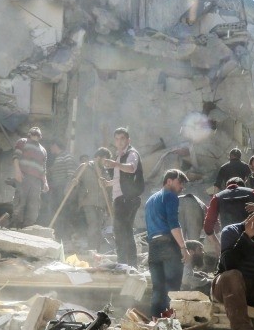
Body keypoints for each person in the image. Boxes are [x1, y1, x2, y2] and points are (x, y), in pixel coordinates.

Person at [144, 169, 189, 318]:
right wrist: (183, 247)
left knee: (158, 288)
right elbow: (173, 224)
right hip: (168, 245)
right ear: (168, 181)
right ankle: (169, 324)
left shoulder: (150, 200)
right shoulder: (170, 196)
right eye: (179, 182)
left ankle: (155, 321)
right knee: (172, 288)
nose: (181, 187)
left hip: (153, 247)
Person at [104, 127, 145, 266]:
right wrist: (108, 183)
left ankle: (127, 263)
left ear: (128, 140)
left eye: (122, 138)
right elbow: (120, 178)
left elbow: (131, 168)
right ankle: (126, 263)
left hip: (127, 198)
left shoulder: (131, 153)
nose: (119, 142)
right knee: (122, 231)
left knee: (122, 231)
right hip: (121, 198)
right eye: (117, 139)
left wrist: (115, 164)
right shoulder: (120, 156)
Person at [12, 127, 49, 229]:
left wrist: (45, 182)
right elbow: (16, 157)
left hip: (36, 181)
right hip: (24, 177)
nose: (36, 130)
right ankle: (16, 226)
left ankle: (27, 227)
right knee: (20, 201)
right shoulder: (22, 141)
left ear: (40, 136)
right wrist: (17, 171)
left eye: (38, 131)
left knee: (34, 205)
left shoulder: (43, 150)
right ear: (29, 133)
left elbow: (43, 169)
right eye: (34, 130)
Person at [77, 149, 112, 252]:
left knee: (98, 226)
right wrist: (72, 187)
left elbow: (108, 188)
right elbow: (75, 179)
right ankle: (91, 248)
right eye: (105, 159)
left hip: (101, 203)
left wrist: (109, 204)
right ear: (98, 157)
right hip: (88, 201)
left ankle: (96, 249)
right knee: (93, 223)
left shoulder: (104, 171)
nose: (106, 162)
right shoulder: (85, 166)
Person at [47, 139, 77, 233]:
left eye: (51, 146)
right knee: (55, 210)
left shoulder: (66, 156)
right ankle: (57, 232)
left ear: (55, 145)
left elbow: (71, 173)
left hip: (63, 188)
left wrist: (67, 188)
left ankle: (63, 234)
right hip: (56, 189)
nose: (50, 149)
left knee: (62, 212)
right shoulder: (58, 158)